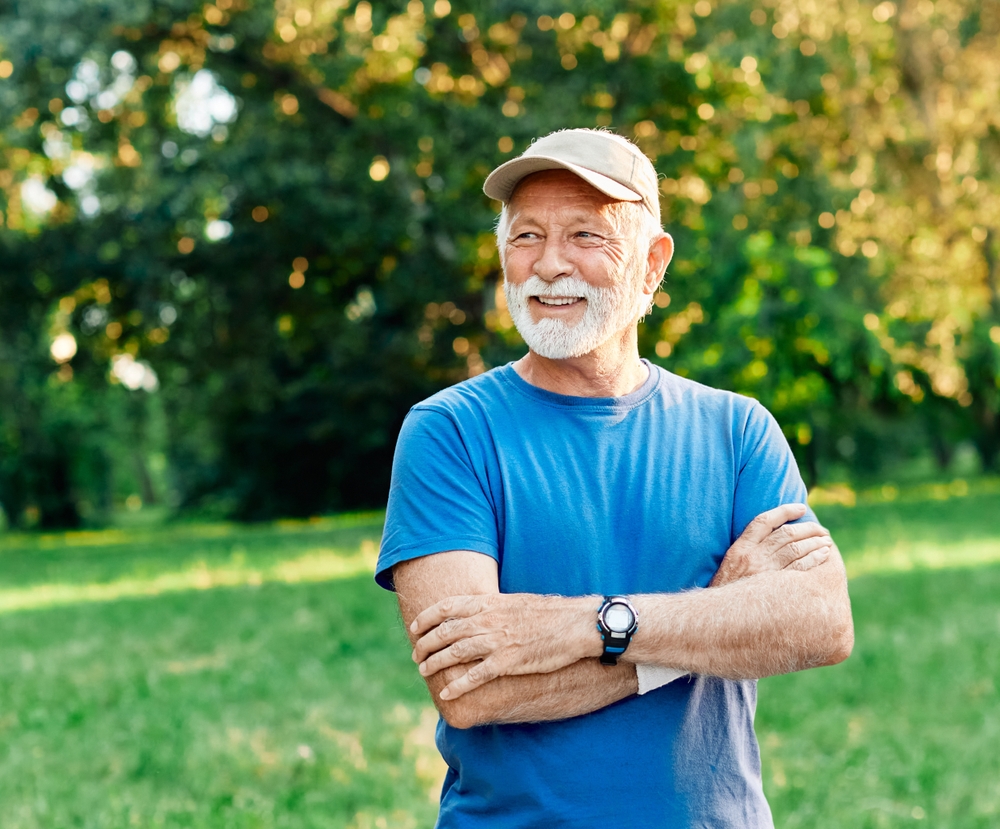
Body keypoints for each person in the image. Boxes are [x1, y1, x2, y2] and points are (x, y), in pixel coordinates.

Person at [375, 128, 854, 828]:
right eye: (526, 236)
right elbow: (470, 687)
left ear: (653, 263)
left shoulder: (738, 429)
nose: (548, 265)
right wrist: (711, 614)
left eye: (585, 236)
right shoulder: (449, 431)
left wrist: (585, 626)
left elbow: (819, 622)